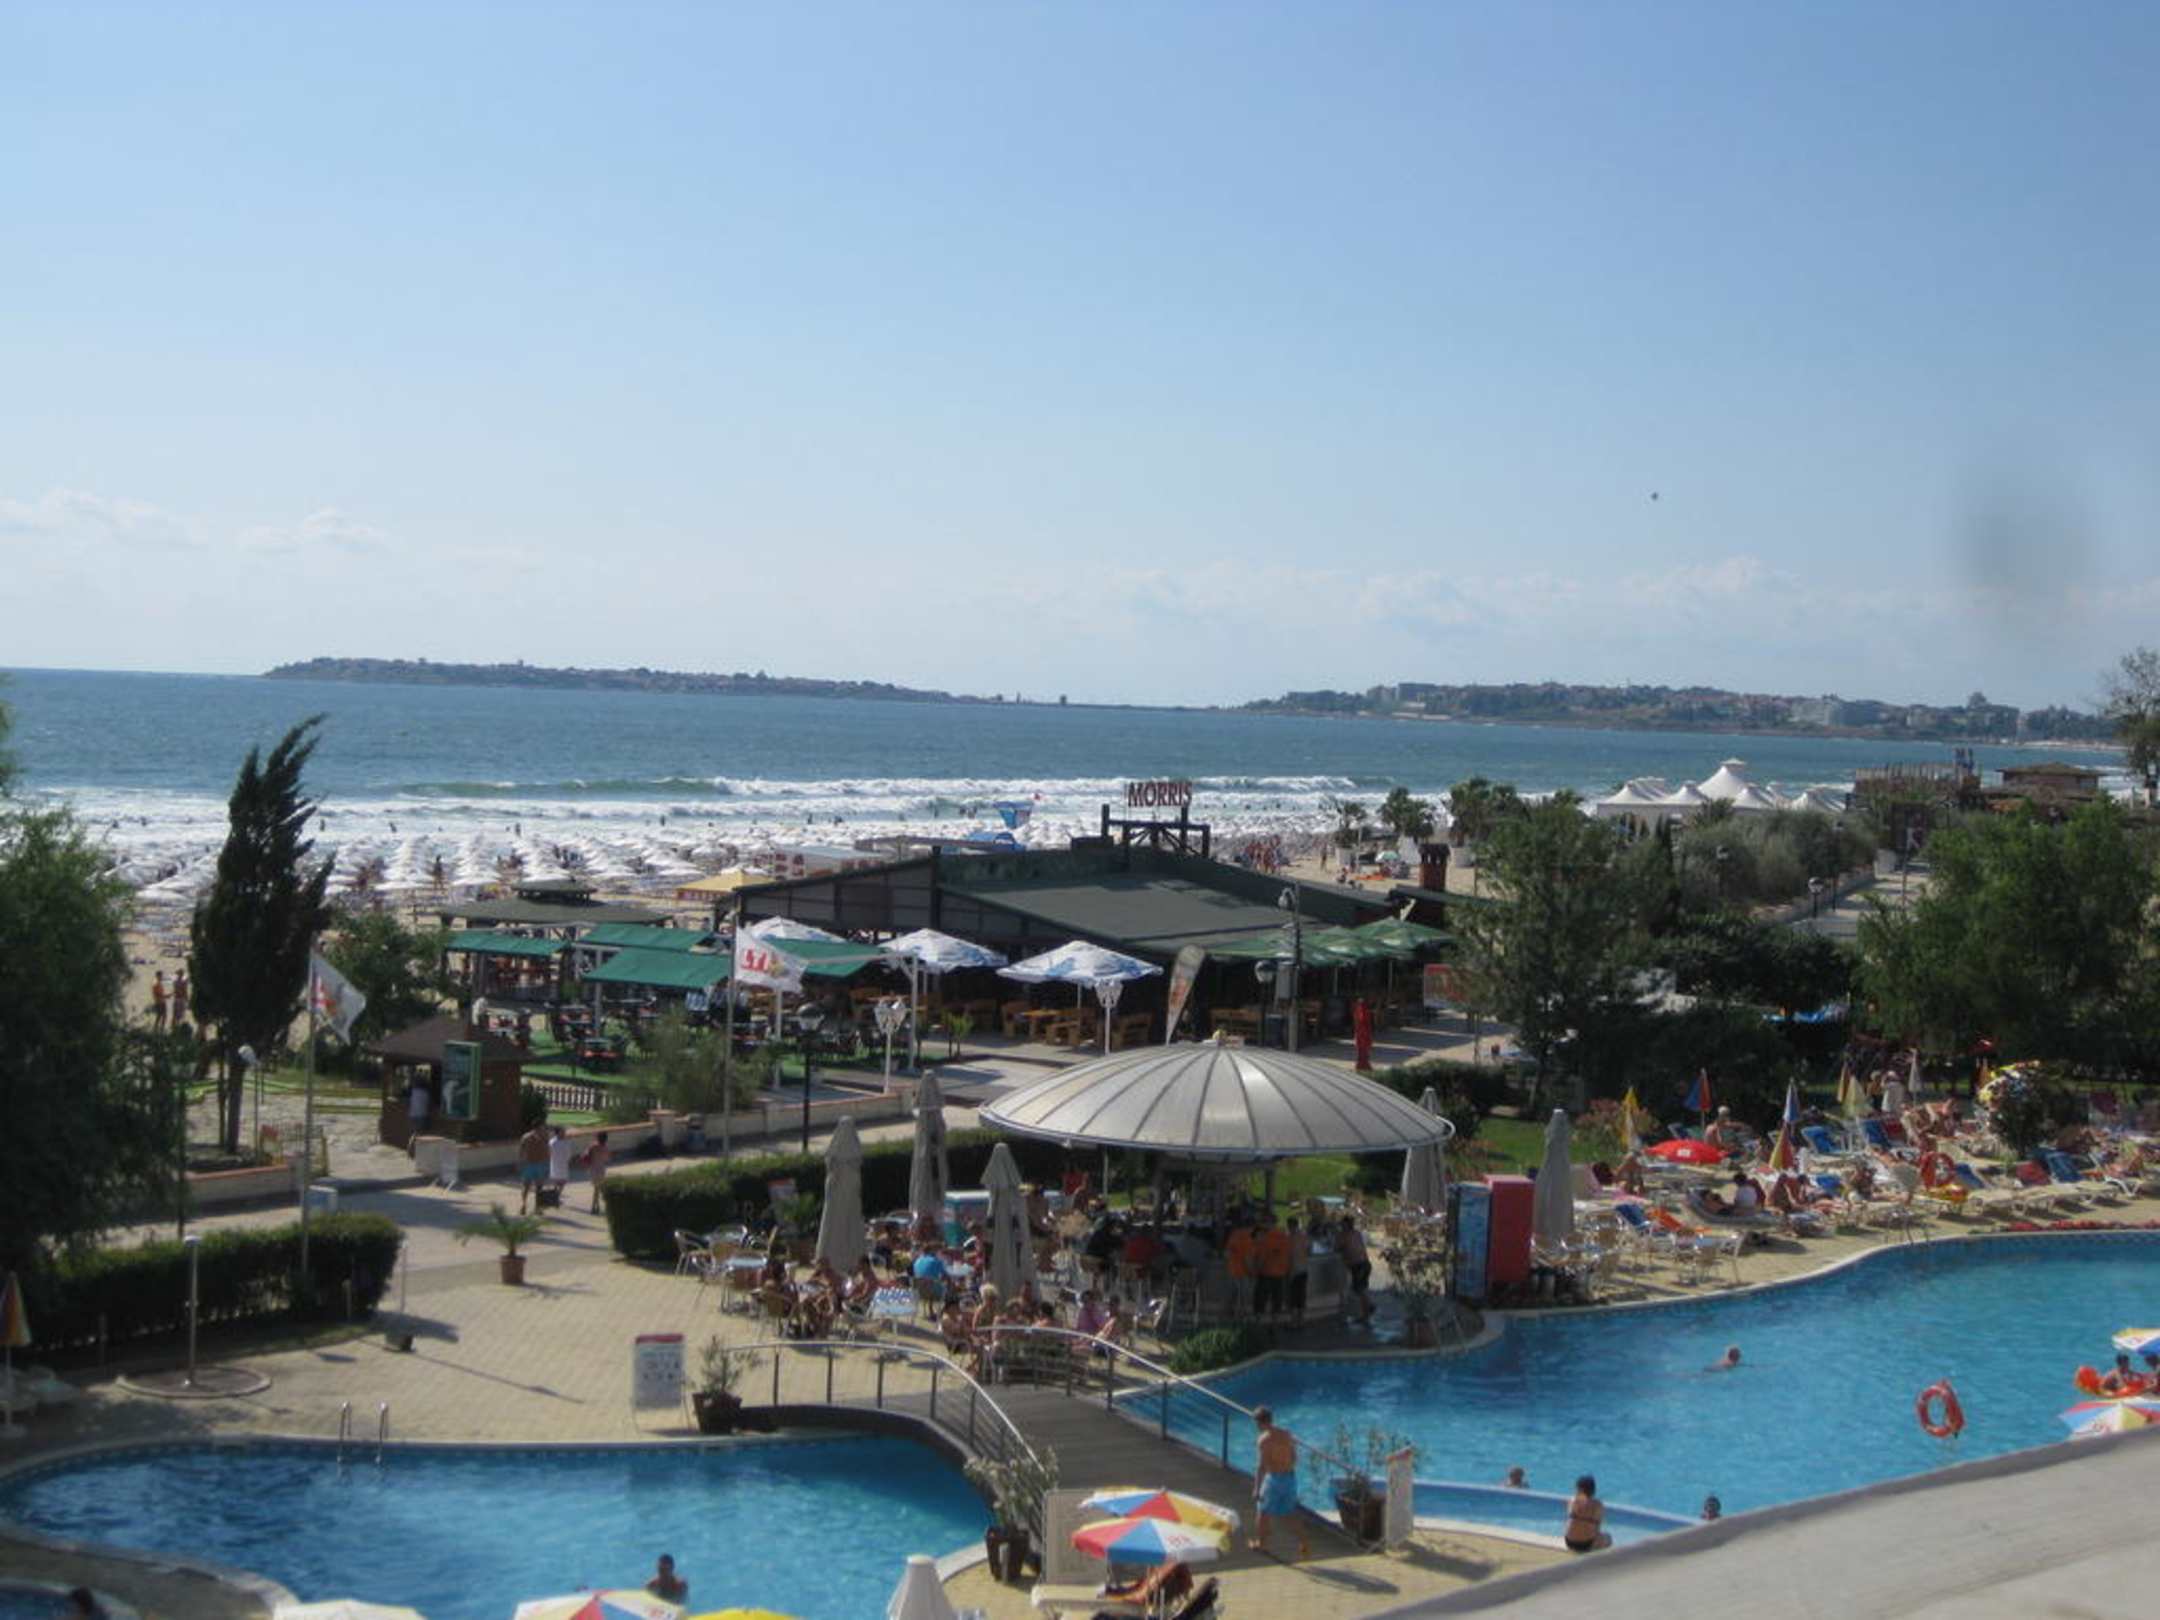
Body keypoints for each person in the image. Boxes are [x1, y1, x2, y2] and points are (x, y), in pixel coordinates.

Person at [1251, 1407, 1310, 1560]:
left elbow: (1261, 1466)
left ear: (1260, 1422)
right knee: (1290, 1513)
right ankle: (1303, 1542)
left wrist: (1256, 1488)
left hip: (1274, 1479)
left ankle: (1261, 1544)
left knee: (1263, 1512)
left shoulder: (1264, 1440)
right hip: (1290, 1478)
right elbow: (1294, 1457)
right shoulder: (1286, 1434)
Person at [1253, 1215, 1292, 1318]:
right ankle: (1275, 1320)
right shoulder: (1284, 1236)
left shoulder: (1265, 1238)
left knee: (1261, 1298)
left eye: (1264, 1223)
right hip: (1280, 1273)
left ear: (1269, 1223)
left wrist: (1255, 1271)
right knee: (1277, 1299)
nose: (1262, 1225)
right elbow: (1288, 1255)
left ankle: (1258, 1320)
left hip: (1266, 1273)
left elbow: (1262, 1257)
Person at [1337, 1215, 1374, 1322]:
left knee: (1358, 1289)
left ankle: (1370, 1305)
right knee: (1361, 1288)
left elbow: (1337, 1247)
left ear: (1346, 1225)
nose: (1341, 1226)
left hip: (1358, 1265)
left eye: (1342, 1224)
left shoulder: (1345, 1235)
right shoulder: (1356, 1233)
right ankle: (1365, 1314)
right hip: (1365, 1264)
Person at [1564, 1475, 1612, 1553]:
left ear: (1579, 1489)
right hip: (1587, 1544)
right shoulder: (1598, 1504)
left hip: (1569, 1542)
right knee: (1608, 1538)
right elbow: (1597, 1528)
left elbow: (1569, 1521)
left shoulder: (1572, 1501)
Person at [516, 1119, 550, 1213]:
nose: (544, 1128)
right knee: (528, 1186)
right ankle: (525, 1205)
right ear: (538, 1126)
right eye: (542, 1126)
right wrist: (520, 1162)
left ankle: (535, 1207)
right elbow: (521, 1150)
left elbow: (547, 1149)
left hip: (538, 1164)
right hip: (531, 1164)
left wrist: (548, 1163)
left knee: (537, 1187)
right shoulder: (527, 1137)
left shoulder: (544, 1136)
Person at [1285, 1217, 1312, 1319]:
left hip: (1294, 1270)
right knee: (1301, 1295)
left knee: (1293, 1296)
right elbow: (1309, 1250)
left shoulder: (1289, 1238)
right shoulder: (1303, 1236)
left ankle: (1294, 1319)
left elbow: (1291, 1255)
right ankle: (1301, 1318)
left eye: (1289, 1226)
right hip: (1303, 1269)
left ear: (1290, 1226)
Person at [545, 1124, 575, 1198]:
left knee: (563, 1181)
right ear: (558, 1132)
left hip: (564, 1164)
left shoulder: (566, 1141)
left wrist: (569, 1160)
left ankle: (557, 1194)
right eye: (562, 1131)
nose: (564, 1133)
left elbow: (569, 1152)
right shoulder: (552, 1142)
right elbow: (549, 1152)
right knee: (556, 1180)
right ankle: (555, 1195)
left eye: (564, 1131)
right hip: (555, 1163)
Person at [585, 1131, 611, 1212]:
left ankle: (596, 1206)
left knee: (596, 1189)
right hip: (601, 1169)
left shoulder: (593, 1146)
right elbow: (607, 1159)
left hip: (593, 1169)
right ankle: (594, 1207)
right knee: (597, 1189)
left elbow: (586, 1155)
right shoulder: (606, 1148)